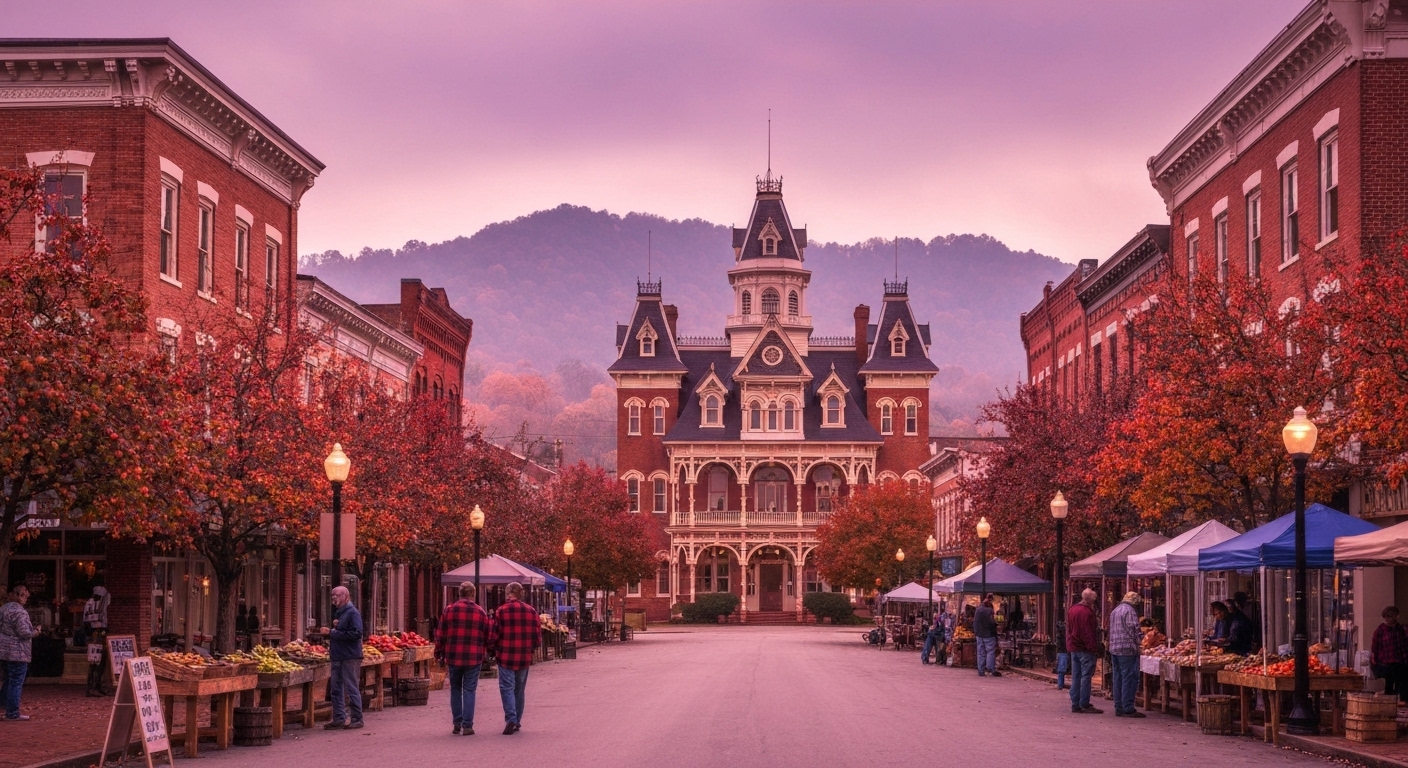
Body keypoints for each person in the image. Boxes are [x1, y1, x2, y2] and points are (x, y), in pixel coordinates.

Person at [435, 582, 491, 735]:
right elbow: (487, 635)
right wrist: (485, 650)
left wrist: (438, 653)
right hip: (474, 656)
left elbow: (440, 634)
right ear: (473, 594)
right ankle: (468, 725)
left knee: (455, 688)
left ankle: (457, 722)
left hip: (453, 655)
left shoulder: (449, 610)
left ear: (459, 594)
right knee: (469, 689)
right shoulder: (481, 612)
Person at [489, 582, 540, 734]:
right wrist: (532, 648)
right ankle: (517, 720)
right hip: (524, 656)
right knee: (519, 689)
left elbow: (495, 634)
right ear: (520, 594)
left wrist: (492, 647)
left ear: (508, 593)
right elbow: (537, 636)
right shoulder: (531, 611)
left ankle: (511, 718)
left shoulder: (501, 611)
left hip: (505, 655)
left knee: (506, 687)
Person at [325, 586, 364, 730]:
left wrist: (332, 632)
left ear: (346, 596)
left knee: (351, 687)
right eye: (332, 595)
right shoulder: (339, 613)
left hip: (349, 656)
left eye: (337, 595)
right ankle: (339, 718)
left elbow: (356, 633)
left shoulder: (353, 613)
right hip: (337, 656)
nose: (334, 598)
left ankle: (357, 718)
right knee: (335, 688)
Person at [1108, 591, 1146, 718]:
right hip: (1127, 649)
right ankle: (1127, 707)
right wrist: (1141, 641)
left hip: (1114, 648)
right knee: (1128, 678)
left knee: (1117, 677)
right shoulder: (1130, 611)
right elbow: (1134, 629)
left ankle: (1118, 706)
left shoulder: (1115, 610)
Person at [0, 584, 35, 721]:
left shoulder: (3, 609)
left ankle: (5, 705)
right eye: (24, 595)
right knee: (15, 681)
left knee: (9, 679)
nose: (26, 598)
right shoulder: (19, 612)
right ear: (18, 595)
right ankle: (12, 712)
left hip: (4, 651)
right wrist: (36, 632)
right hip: (18, 652)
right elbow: (24, 633)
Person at [1067, 588, 1101, 714]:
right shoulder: (1086, 612)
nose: (1094, 602)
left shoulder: (1072, 609)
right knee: (1085, 676)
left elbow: (1069, 629)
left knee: (1076, 676)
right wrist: (1093, 648)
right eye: (1093, 600)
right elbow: (1087, 633)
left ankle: (1075, 703)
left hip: (1074, 647)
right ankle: (1084, 703)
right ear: (1090, 600)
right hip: (1084, 648)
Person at [1372, 606, 1408, 706]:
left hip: (1400, 659)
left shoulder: (1401, 629)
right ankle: (1389, 700)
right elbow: (1375, 644)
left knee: (1401, 680)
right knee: (1389, 681)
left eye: (1389, 617)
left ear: (1396, 617)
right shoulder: (1381, 630)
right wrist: (1375, 658)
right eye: (1385, 617)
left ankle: (1401, 699)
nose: (1387, 619)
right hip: (1387, 660)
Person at [83, 586, 110, 697]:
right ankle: (91, 687)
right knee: (95, 662)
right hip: (96, 636)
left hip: (95, 636)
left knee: (99, 662)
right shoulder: (94, 604)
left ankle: (96, 685)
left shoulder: (89, 604)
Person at [973, 594, 1000, 677]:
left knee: (981, 652)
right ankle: (990, 667)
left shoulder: (978, 610)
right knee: (990, 651)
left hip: (979, 634)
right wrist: (995, 626)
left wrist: (976, 632)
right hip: (988, 634)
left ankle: (981, 670)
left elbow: (975, 622)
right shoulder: (989, 611)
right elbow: (991, 622)